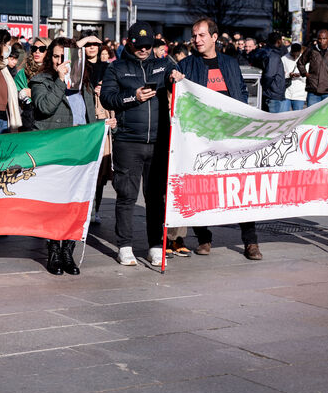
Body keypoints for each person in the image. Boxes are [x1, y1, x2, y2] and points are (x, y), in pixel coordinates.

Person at [174, 18, 262, 261]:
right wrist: (174, 82)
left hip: (231, 135)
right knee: (200, 187)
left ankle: (251, 241)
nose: (197, 40)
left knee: (241, 188)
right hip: (201, 138)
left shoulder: (230, 63)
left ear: (214, 37)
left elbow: (241, 92)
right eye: (194, 35)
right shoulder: (187, 65)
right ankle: (203, 238)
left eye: (202, 35)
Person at [100, 23, 179, 267]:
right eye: (139, 46)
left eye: (148, 46)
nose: (144, 50)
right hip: (128, 141)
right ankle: (125, 246)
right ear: (129, 43)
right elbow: (107, 98)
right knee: (126, 195)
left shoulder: (163, 64)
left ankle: (155, 244)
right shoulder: (117, 67)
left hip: (159, 141)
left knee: (155, 197)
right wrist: (132, 97)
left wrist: (176, 77)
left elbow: (178, 76)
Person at [29, 37, 89, 275]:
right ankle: (54, 251)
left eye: (65, 57)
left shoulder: (82, 82)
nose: (60, 61)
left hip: (79, 151)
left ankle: (68, 252)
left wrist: (105, 125)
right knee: (55, 203)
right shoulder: (41, 81)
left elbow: (88, 115)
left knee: (75, 203)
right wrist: (60, 81)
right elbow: (44, 107)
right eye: (56, 56)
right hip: (54, 151)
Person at [298, 29, 328, 106]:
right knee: (312, 113)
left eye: (324, 38)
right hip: (313, 90)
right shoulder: (311, 49)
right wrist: (305, 74)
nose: (322, 41)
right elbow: (300, 62)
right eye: (320, 39)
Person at [247, 33, 286, 113]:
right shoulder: (273, 55)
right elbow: (270, 75)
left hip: (270, 92)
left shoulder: (266, 52)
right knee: (273, 118)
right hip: (273, 93)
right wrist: (264, 87)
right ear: (279, 41)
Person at [282, 43, 307, 110]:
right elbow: (280, 74)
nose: (295, 57)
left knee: (297, 115)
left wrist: (301, 75)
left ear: (300, 52)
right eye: (293, 55)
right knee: (284, 114)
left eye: (297, 55)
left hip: (299, 94)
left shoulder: (305, 60)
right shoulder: (284, 59)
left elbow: (308, 77)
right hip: (286, 93)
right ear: (291, 51)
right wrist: (289, 75)